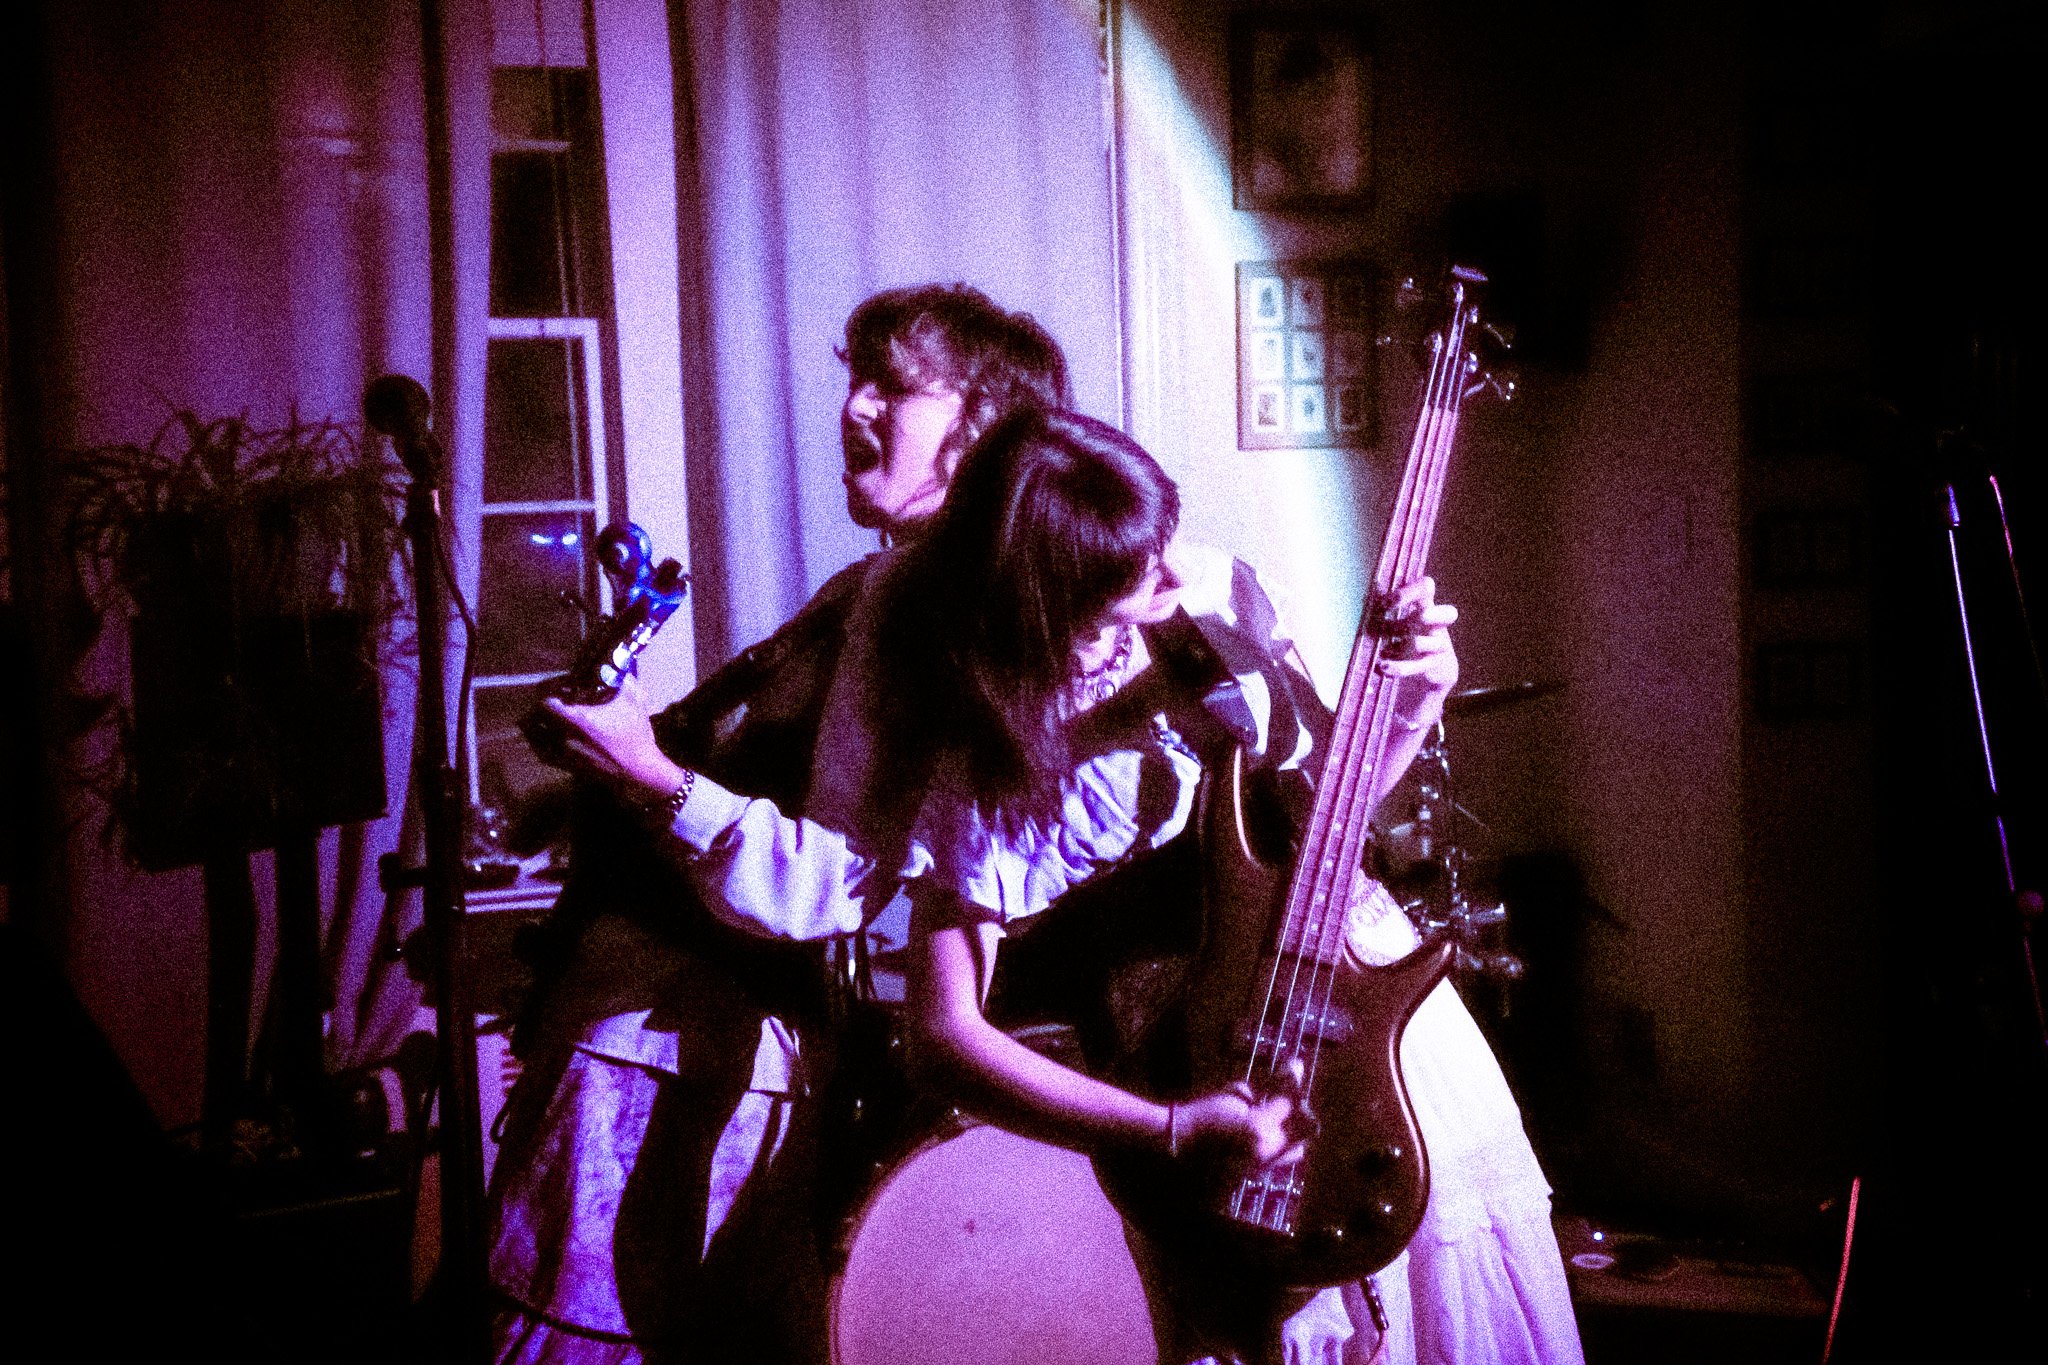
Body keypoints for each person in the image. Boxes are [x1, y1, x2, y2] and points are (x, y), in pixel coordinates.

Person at [874, 407, 1584, 1365]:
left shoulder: (1213, 599)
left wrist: (1417, 698)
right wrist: (1170, 1130)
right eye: (1136, 573)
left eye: (1163, 539)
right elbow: (942, 1037)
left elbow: (1331, 819)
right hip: (1209, 1090)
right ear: (1049, 603)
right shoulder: (981, 757)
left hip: (1378, 1019)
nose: (1173, 573)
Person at [484, 283, 1071, 1365]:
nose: (854, 406)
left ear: (983, 423)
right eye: (856, 378)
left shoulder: (930, 606)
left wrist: (648, 775)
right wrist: (589, 789)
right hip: (654, 1035)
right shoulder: (873, 584)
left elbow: (827, 883)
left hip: (681, 1057)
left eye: (894, 386)